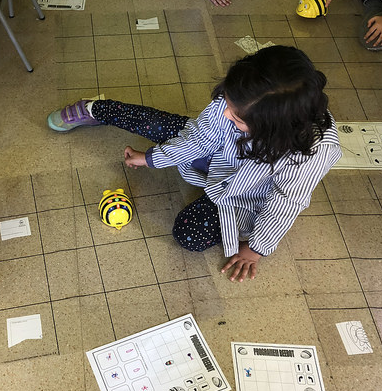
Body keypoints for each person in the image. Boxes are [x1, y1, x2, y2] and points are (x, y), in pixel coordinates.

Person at [47, 46, 341, 282]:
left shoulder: (314, 152)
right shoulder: (241, 97)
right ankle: (96, 109)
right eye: (227, 105)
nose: (225, 114)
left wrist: (256, 249)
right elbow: (200, 137)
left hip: (243, 194)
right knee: (154, 123)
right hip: (218, 156)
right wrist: (151, 158)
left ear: (272, 128)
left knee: (188, 235)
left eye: (236, 118)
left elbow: (284, 204)